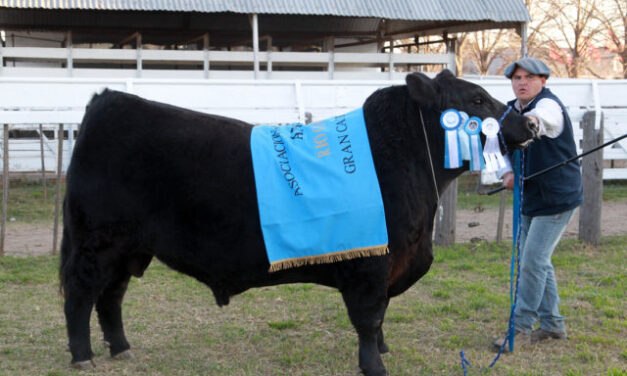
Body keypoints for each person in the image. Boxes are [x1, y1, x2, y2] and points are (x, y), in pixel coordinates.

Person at [493, 57, 583, 351]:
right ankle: (553, 324)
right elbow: (493, 146)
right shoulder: (508, 111)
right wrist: (505, 172)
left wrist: (530, 123)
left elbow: (544, 119)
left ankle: (519, 327)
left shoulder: (549, 105)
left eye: (530, 77)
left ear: (543, 81)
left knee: (532, 262)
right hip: (529, 196)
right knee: (537, 261)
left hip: (558, 197)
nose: (522, 82)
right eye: (517, 78)